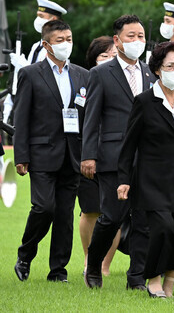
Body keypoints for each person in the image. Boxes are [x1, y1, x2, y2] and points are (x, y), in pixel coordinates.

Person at [117, 42, 174, 298]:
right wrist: (124, 180)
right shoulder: (144, 101)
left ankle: (169, 286)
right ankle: (152, 280)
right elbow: (129, 144)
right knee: (162, 229)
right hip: (152, 181)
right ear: (157, 69)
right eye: (170, 66)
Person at [82, 15, 157, 290]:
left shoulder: (151, 73)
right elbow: (91, 118)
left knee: (143, 219)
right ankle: (93, 264)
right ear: (117, 40)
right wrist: (88, 155)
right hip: (112, 156)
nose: (137, 41)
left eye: (140, 36)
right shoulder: (100, 73)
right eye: (130, 36)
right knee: (111, 216)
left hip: (147, 158)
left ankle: (136, 277)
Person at [13, 20, 89, 282]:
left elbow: (88, 118)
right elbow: (21, 117)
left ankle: (58, 270)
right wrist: (21, 156)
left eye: (68, 38)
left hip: (73, 154)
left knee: (65, 215)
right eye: (59, 40)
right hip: (42, 153)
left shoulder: (83, 75)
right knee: (44, 208)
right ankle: (25, 255)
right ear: (46, 44)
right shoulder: (31, 73)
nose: (66, 43)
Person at [78, 37, 120, 276]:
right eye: (104, 55)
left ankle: (104, 264)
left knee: (115, 213)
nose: (109, 59)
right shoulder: (86, 81)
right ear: (93, 59)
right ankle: (88, 258)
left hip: (116, 155)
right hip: (90, 153)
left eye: (113, 55)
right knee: (91, 209)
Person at [4, 0, 67, 124]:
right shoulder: (36, 46)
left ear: (53, 19)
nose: (37, 19)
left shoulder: (60, 46)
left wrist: (23, 65)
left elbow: (47, 75)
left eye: (41, 16)